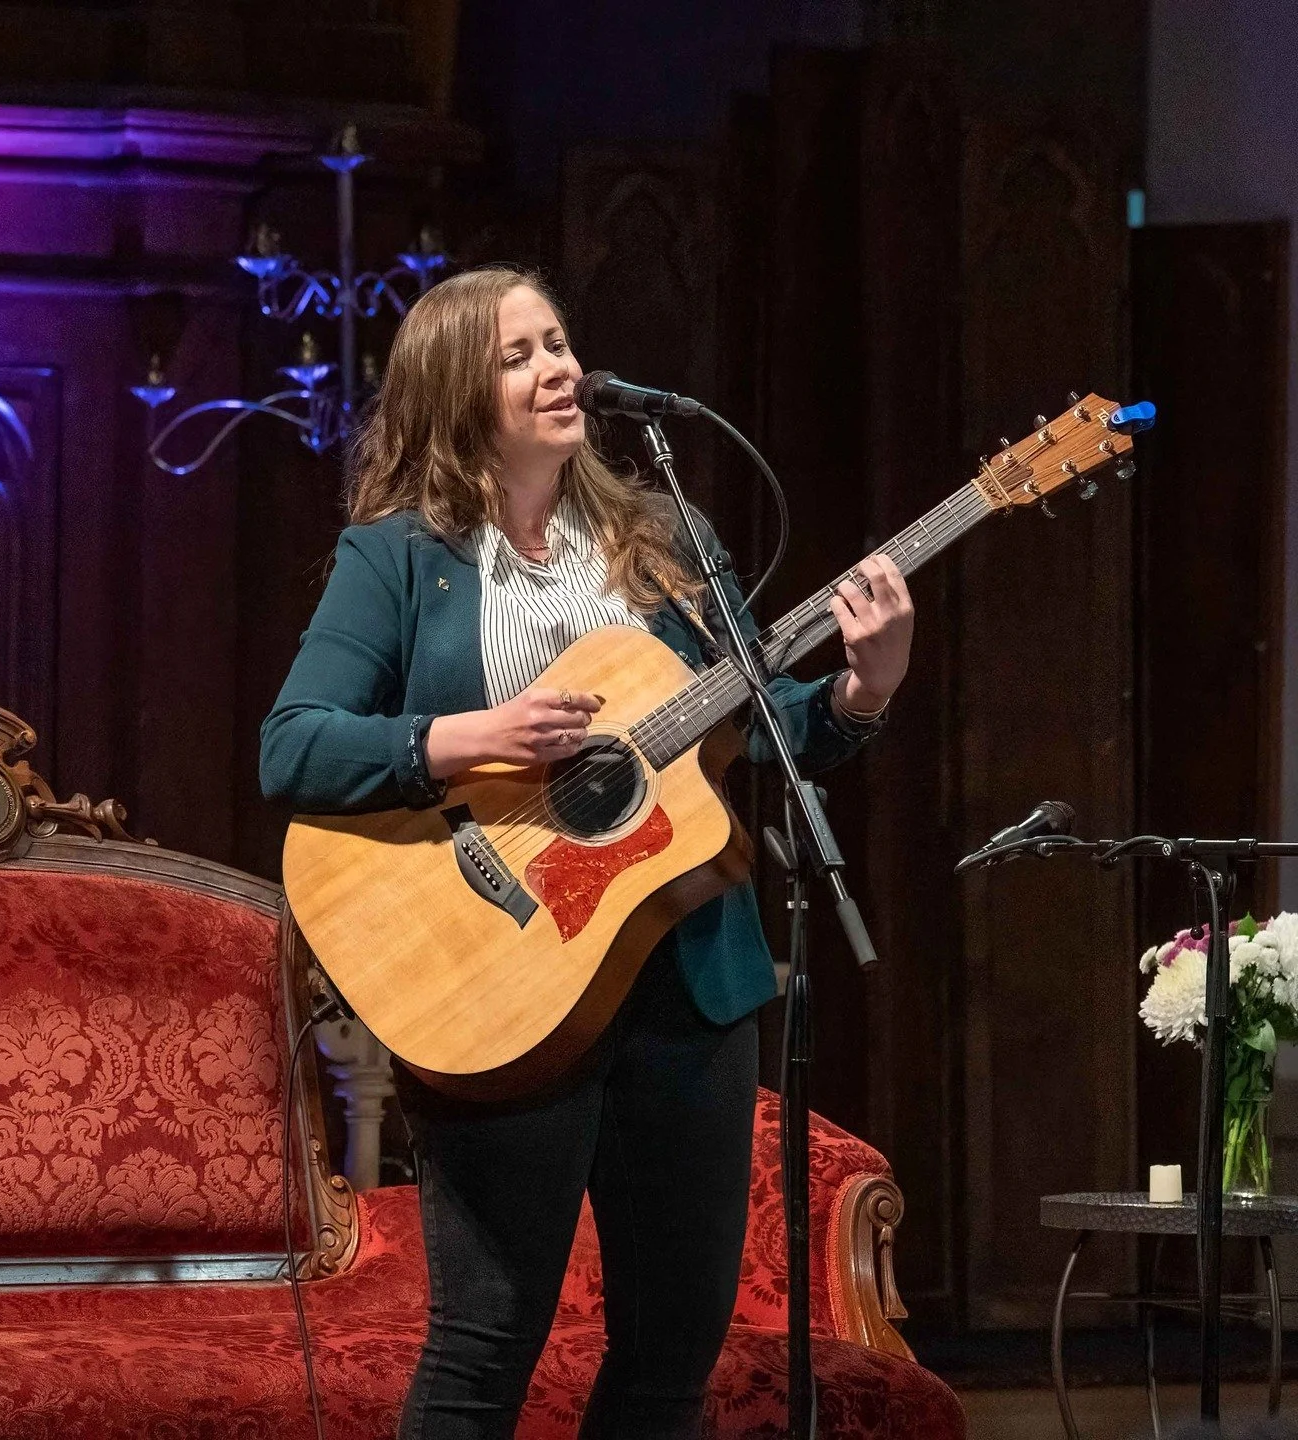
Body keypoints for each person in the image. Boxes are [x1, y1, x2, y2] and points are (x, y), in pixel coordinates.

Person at [260, 266, 915, 1440]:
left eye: (557, 344)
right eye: (518, 355)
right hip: (498, 978)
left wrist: (865, 689)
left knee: (673, 1353)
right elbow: (293, 749)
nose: (558, 369)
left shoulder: (666, 540)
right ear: (459, 388)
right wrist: (473, 738)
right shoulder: (401, 556)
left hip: (689, 984)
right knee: (486, 1345)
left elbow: (759, 730)